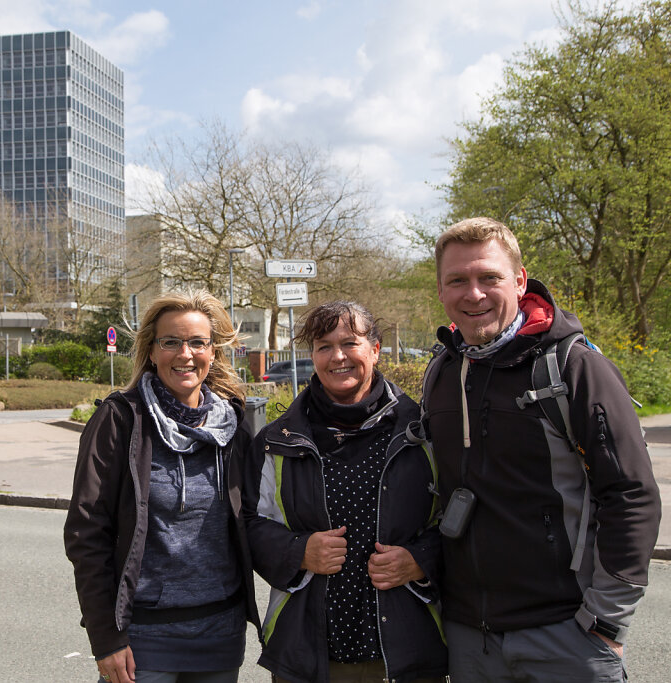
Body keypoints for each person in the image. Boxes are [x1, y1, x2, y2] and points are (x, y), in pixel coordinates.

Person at [428, 217, 661, 681]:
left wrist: (606, 621)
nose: (473, 294)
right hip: (470, 639)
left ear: (518, 280)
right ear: (440, 289)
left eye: (488, 277)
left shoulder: (574, 368)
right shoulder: (442, 371)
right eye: (458, 280)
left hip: (566, 635)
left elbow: (632, 494)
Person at [243, 300, 447, 683]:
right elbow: (248, 524)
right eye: (323, 346)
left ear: (375, 348)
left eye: (350, 343)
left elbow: (458, 519)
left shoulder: (424, 433)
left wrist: (421, 559)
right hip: (308, 654)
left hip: (408, 652)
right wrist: (298, 551)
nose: (338, 356)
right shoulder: (276, 441)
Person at [64, 290, 260, 683]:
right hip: (141, 640)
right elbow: (87, 534)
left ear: (213, 352)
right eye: (171, 342)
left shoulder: (233, 426)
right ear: (152, 352)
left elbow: (256, 520)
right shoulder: (120, 420)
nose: (185, 354)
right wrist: (106, 639)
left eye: (197, 343)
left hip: (220, 635)